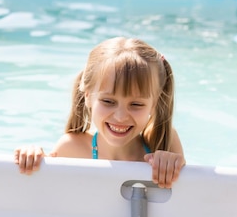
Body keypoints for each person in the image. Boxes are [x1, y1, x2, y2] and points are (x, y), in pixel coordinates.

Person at [14, 37, 185, 188]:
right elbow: (46, 197)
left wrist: (173, 164)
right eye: (108, 101)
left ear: (154, 104)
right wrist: (33, 160)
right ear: (87, 96)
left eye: (136, 104)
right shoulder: (71, 148)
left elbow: (186, 199)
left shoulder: (162, 143)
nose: (120, 116)